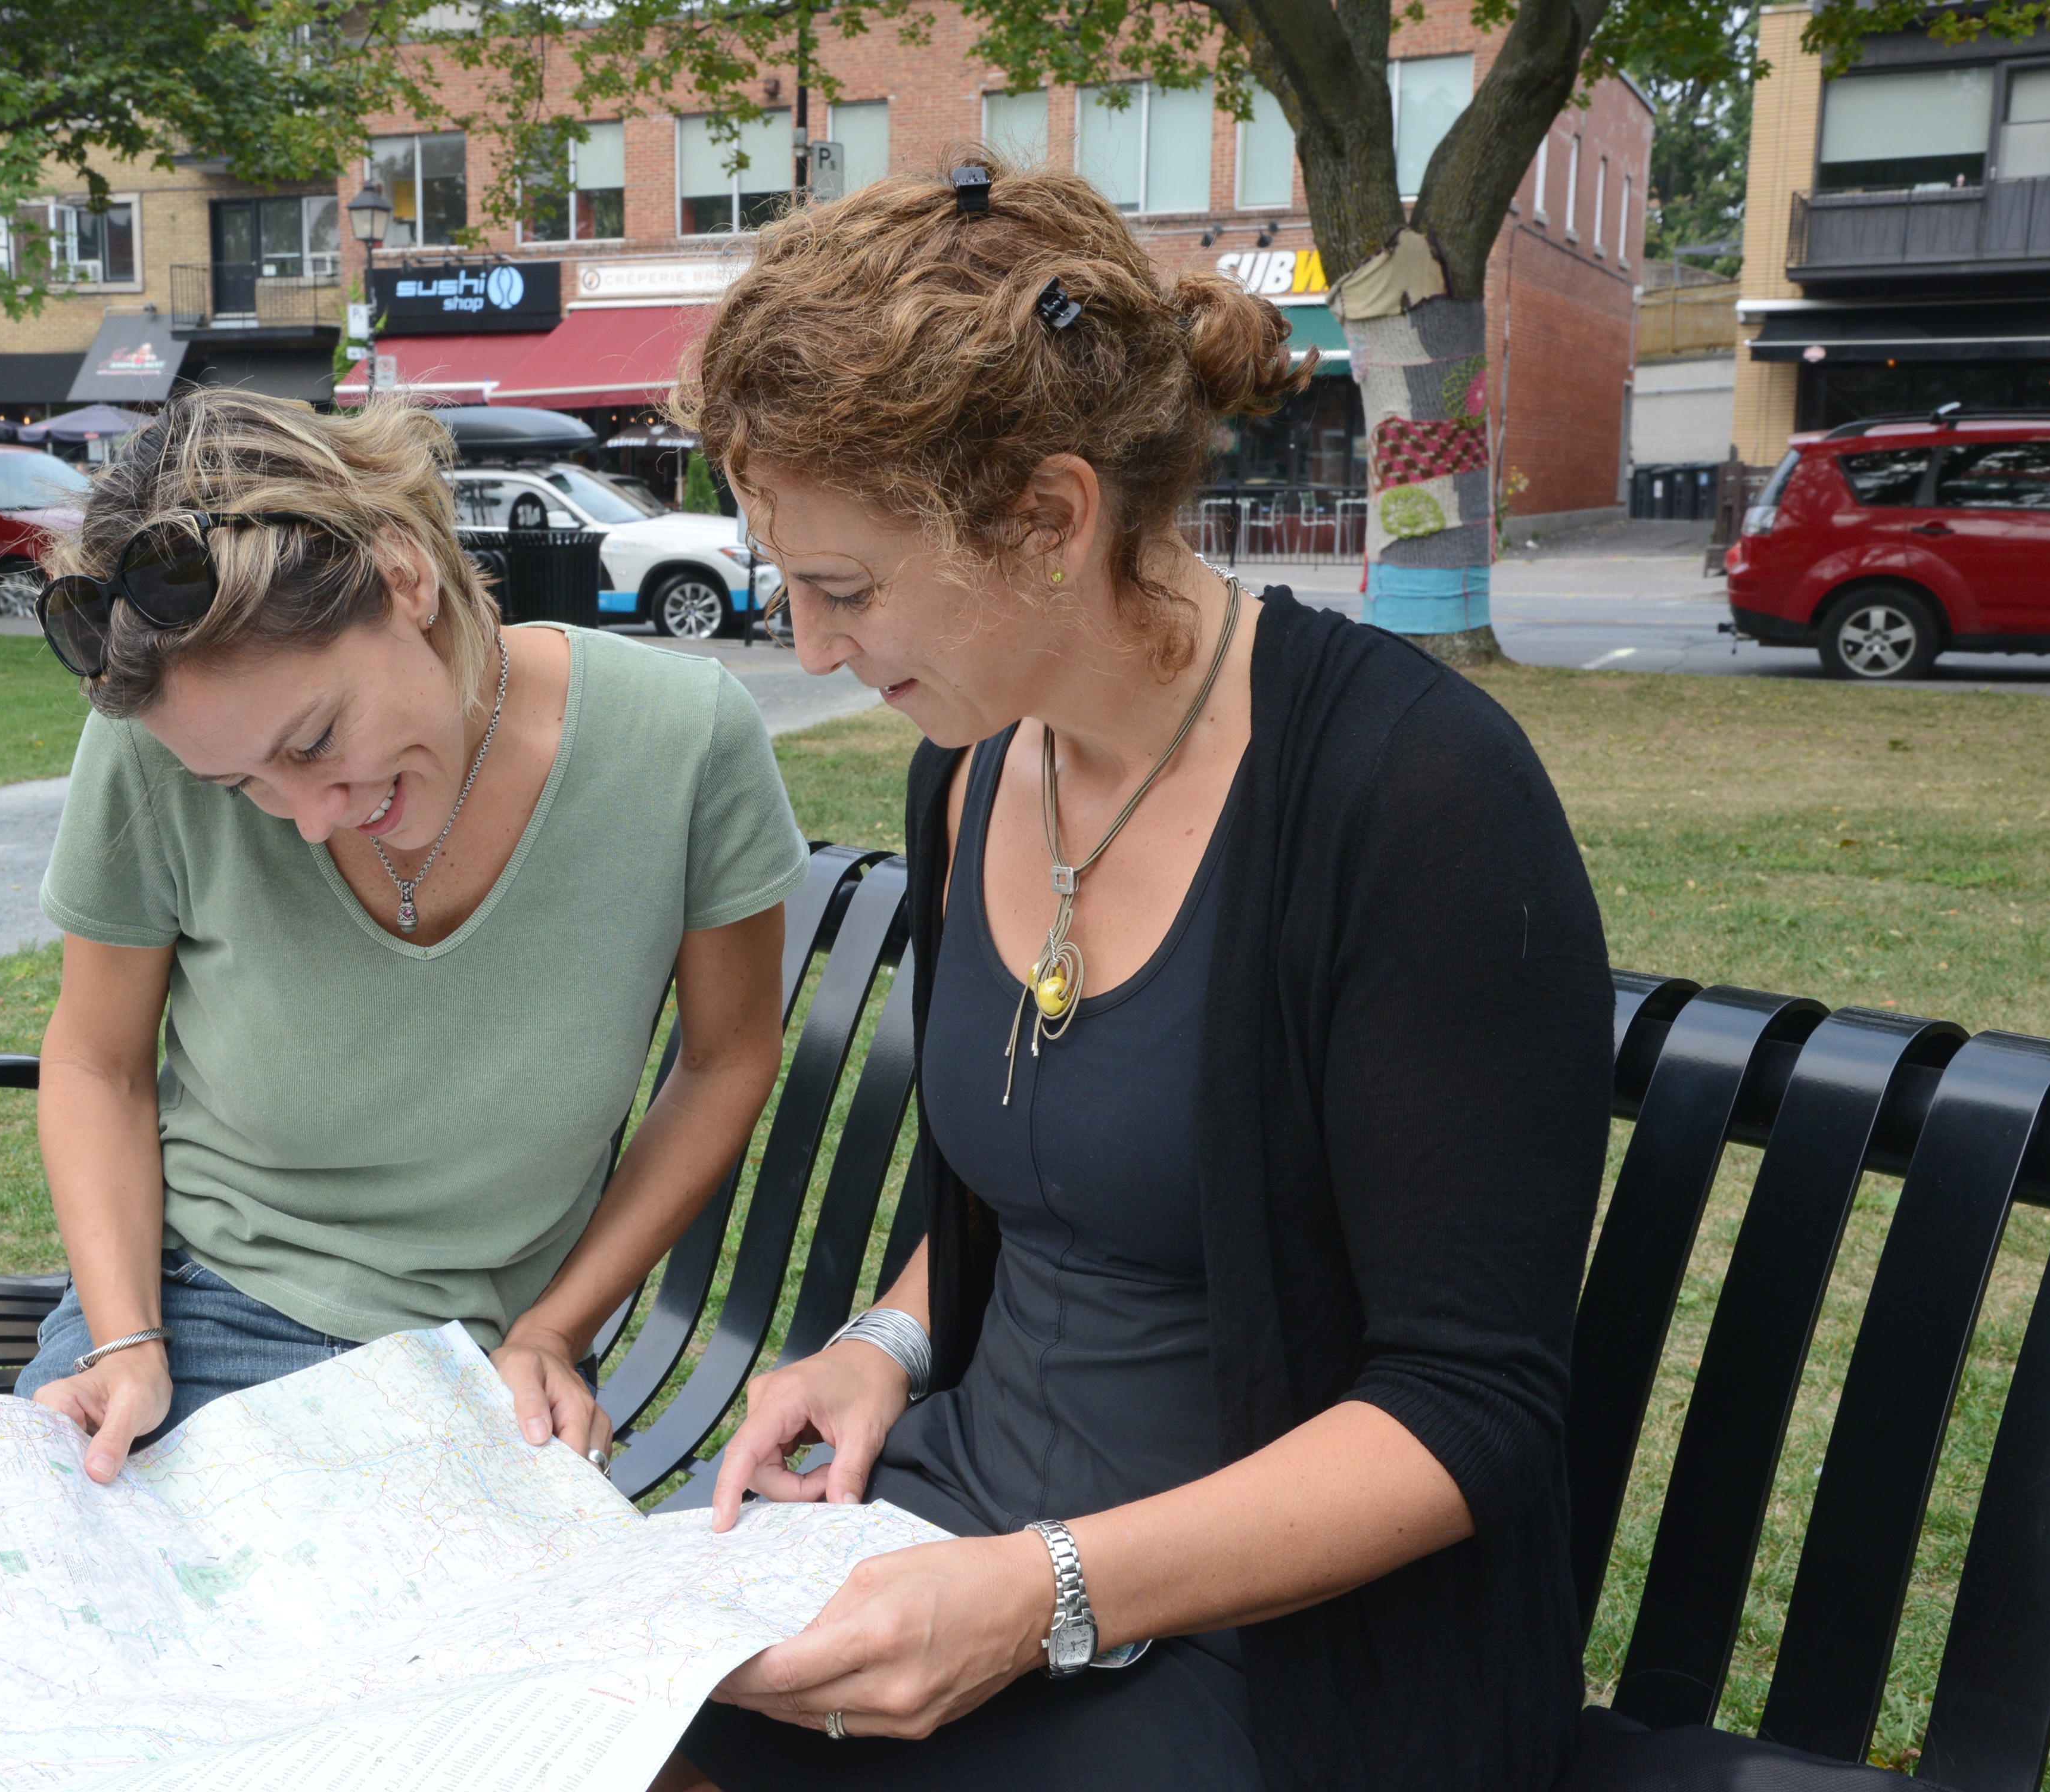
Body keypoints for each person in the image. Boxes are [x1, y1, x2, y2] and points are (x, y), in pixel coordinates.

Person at [662, 160, 1612, 1792]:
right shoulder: (973, 768)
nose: (811, 650)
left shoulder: (1414, 795)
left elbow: (1470, 1406)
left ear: (1051, 518)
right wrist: (881, 1347)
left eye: (848, 589)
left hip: (1279, 1648)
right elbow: (1048, 1185)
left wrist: (1041, 1597)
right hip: (961, 1533)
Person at [14, 389, 808, 1485]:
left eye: (315, 740)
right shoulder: (154, 750)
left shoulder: (681, 740)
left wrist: (554, 1332)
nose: (308, 816)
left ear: (405, 576)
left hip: (483, 1360)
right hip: (195, 1308)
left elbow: (727, 1058)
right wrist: (126, 1341)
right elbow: (98, 1064)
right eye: (240, 784)